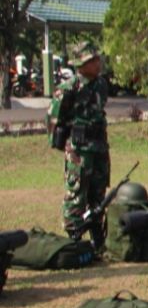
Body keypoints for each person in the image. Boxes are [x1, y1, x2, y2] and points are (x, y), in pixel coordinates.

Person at [48, 40, 109, 247]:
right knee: (77, 192)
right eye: (92, 60)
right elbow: (55, 117)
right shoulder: (68, 88)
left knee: (98, 193)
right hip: (79, 149)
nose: (97, 63)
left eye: (97, 59)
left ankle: (97, 236)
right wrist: (62, 144)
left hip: (99, 147)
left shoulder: (101, 84)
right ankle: (74, 238)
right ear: (81, 64)